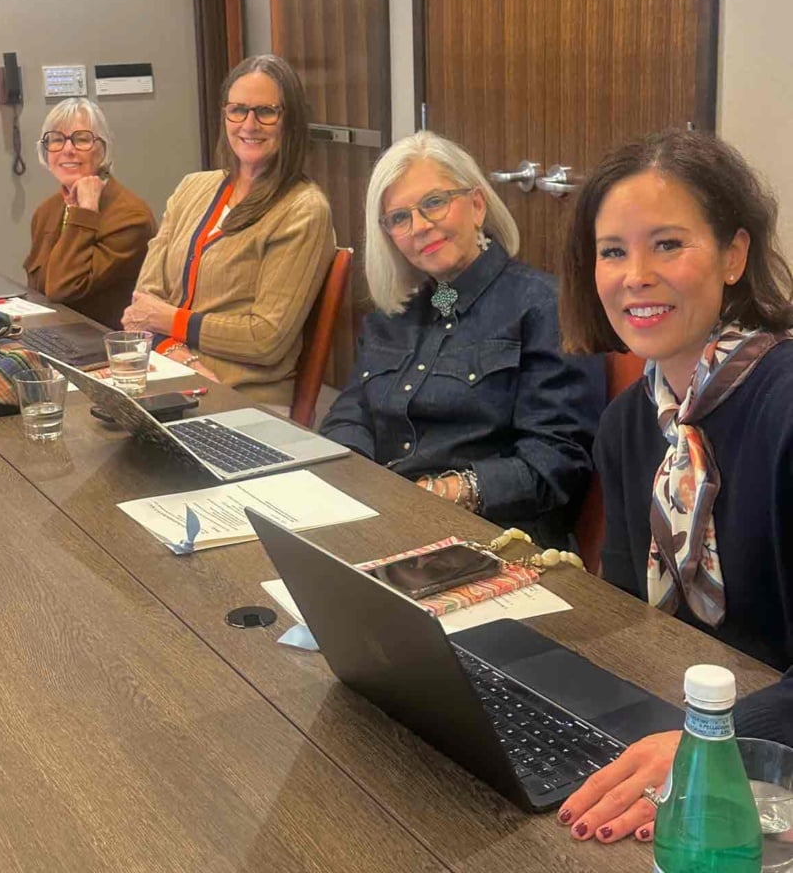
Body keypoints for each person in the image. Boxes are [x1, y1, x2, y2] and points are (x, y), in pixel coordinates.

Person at [556, 128, 793, 845]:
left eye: (666, 244)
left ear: (732, 256)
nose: (635, 275)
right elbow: (639, 624)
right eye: (612, 251)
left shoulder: (784, 405)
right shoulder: (629, 424)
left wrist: (713, 741)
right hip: (674, 733)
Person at [320, 131, 603, 548]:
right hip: (383, 521)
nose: (419, 227)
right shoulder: (398, 309)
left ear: (476, 205)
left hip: (493, 539)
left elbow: (557, 462)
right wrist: (356, 478)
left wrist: (443, 493)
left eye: (434, 203)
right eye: (399, 218)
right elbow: (351, 411)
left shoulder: (544, 306)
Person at [122, 54, 334, 405]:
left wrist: (170, 320)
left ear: (291, 121)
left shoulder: (303, 210)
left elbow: (266, 339)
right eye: (238, 110)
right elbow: (142, 306)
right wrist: (181, 356)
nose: (249, 125)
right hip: (167, 374)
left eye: (266, 112)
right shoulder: (192, 187)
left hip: (241, 397)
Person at [24, 98, 156, 328]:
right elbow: (39, 292)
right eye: (56, 140)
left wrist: (84, 213)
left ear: (102, 149)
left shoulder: (132, 218)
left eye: (81, 139)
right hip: (53, 336)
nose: (67, 150)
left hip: (105, 347)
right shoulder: (45, 211)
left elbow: (61, 288)